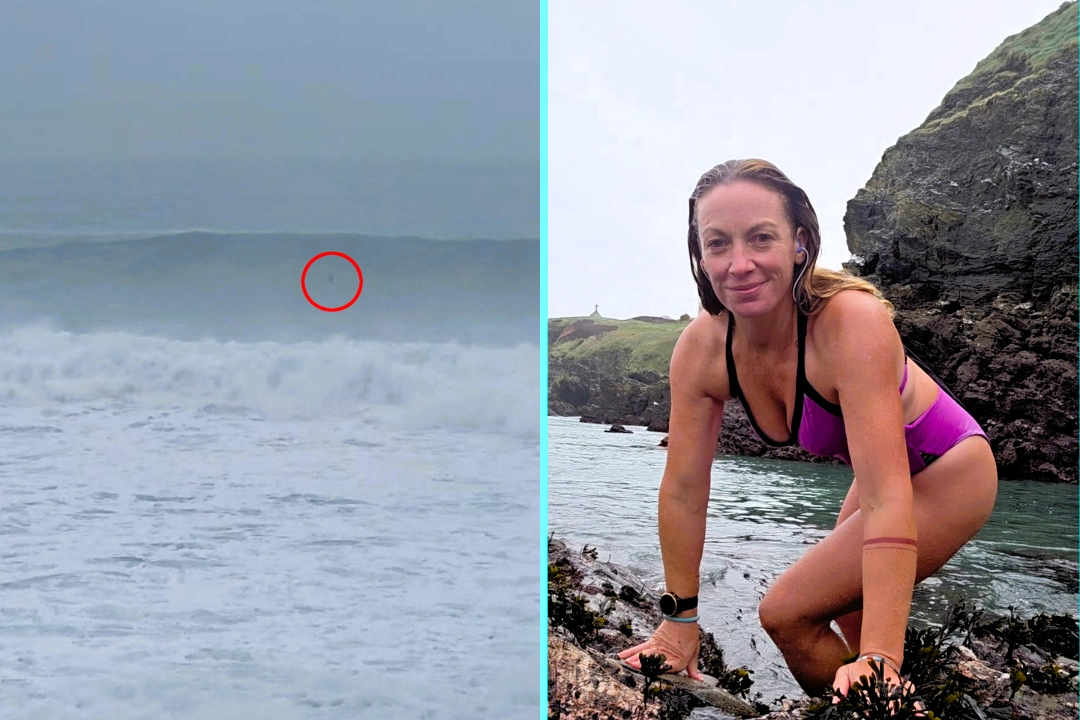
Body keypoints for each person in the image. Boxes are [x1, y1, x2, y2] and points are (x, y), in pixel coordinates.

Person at [617, 159, 998, 701]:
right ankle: (890, 705)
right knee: (848, 625)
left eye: (761, 238)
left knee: (788, 614)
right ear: (699, 255)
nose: (739, 263)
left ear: (799, 242)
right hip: (879, 482)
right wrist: (680, 621)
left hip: (951, 469)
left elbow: (889, 497)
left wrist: (881, 659)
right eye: (718, 243)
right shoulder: (701, 352)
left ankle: (875, 702)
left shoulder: (850, 322)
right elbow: (682, 491)